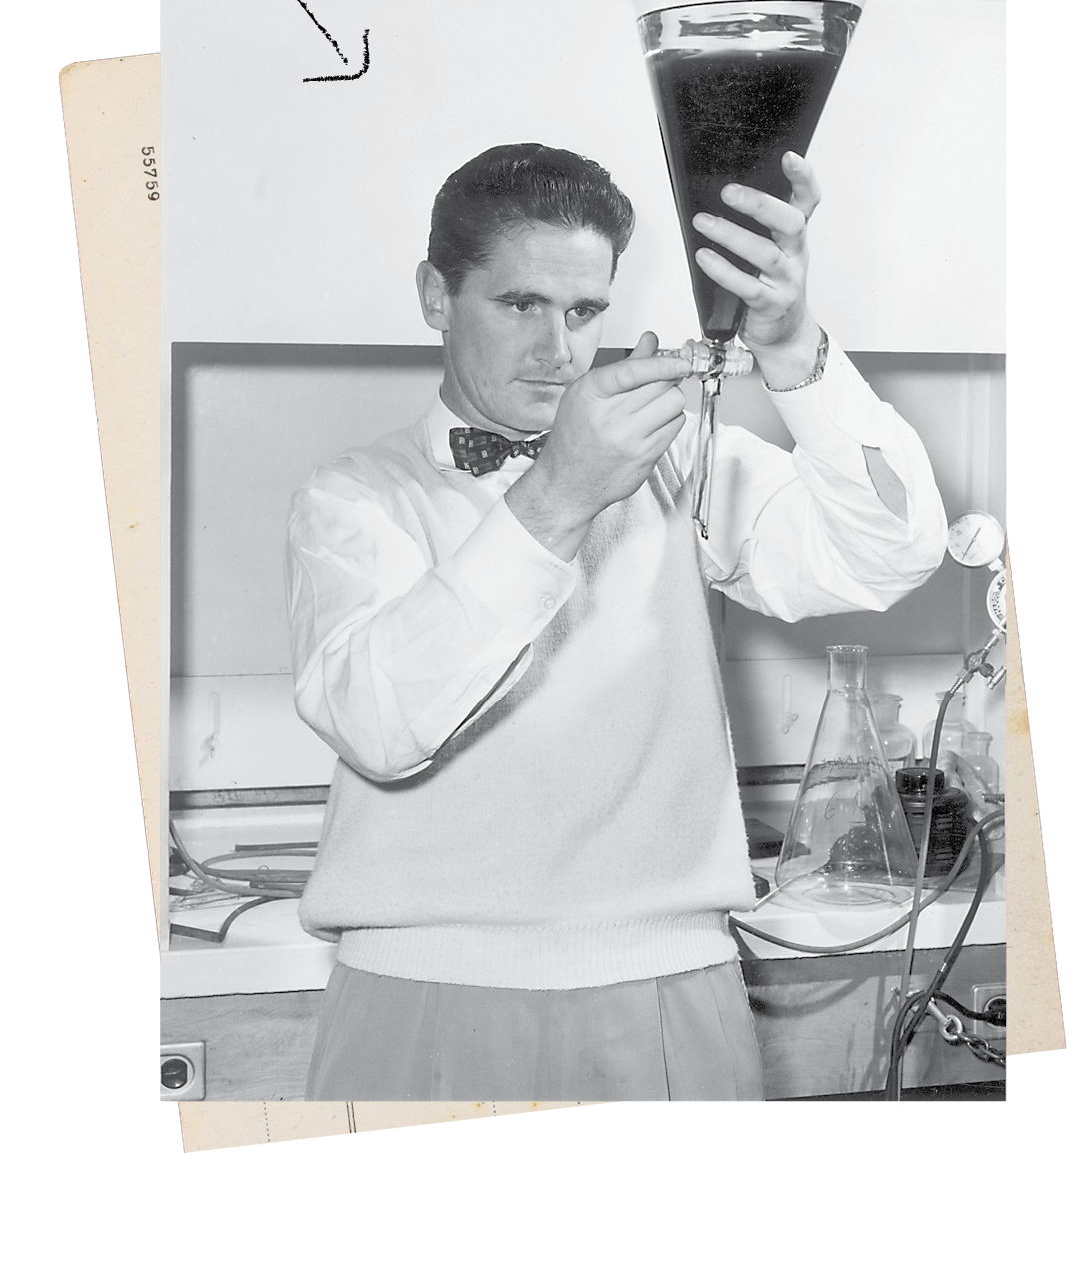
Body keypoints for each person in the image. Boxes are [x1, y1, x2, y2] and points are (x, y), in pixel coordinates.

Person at [286, 143, 948, 1102]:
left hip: (672, 986)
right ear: (436, 294)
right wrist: (560, 494)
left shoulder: (675, 459)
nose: (559, 351)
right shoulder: (354, 496)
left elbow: (889, 552)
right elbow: (380, 729)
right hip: (421, 989)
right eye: (520, 305)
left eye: (585, 310)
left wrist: (792, 344)